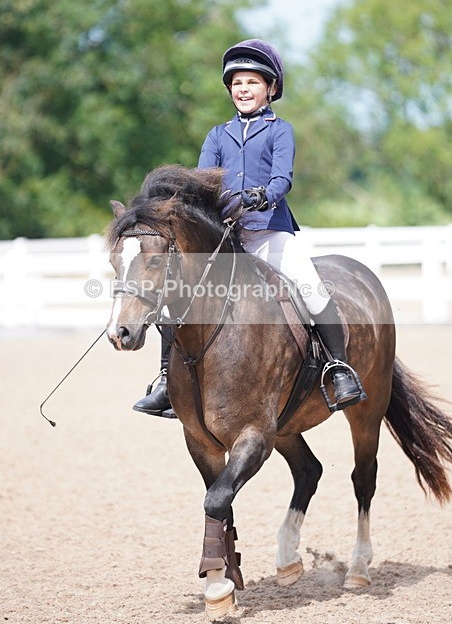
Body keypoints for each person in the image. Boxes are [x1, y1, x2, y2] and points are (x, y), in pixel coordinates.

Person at [133, 38, 364, 417]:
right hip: (229, 237)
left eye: (252, 82)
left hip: (270, 231)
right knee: (179, 295)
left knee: (309, 286)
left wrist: (262, 197)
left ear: (271, 88)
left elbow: (282, 179)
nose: (243, 89)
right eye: (237, 83)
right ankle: (164, 380)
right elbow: (202, 181)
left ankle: (339, 368)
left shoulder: (280, 131)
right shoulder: (217, 135)